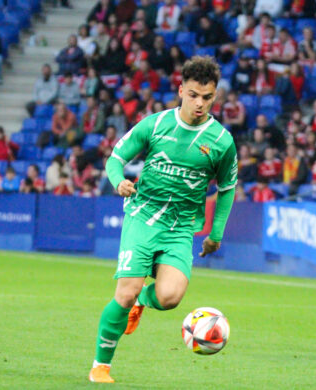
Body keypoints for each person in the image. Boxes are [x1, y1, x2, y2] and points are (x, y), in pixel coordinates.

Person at [89, 56, 238, 383]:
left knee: (170, 298)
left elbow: (227, 187)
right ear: (181, 90)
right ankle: (101, 366)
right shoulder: (155, 125)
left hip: (180, 227)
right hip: (143, 217)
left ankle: (143, 300)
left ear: (215, 97)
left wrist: (216, 233)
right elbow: (116, 157)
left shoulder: (222, 141)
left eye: (208, 97)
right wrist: (118, 181)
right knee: (124, 293)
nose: (200, 103)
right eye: (194, 95)